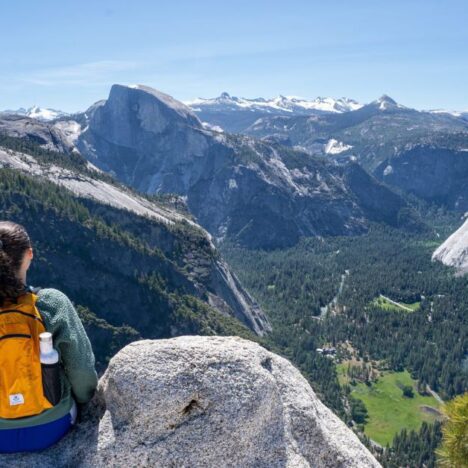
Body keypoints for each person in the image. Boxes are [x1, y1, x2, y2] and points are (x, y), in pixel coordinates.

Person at [0, 221, 98, 453]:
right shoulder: (51, 303)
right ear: (29, 254)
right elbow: (81, 372)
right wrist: (86, 402)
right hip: (51, 427)